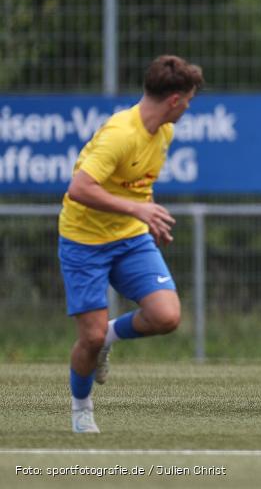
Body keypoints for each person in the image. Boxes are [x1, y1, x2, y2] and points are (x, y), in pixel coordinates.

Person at [59, 55, 204, 433]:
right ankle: (81, 407)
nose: (188, 108)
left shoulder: (163, 133)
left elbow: (138, 185)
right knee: (88, 338)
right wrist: (138, 210)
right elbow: (79, 188)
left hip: (130, 237)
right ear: (174, 100)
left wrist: (149, 215)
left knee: (166, 316)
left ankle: (109, 336)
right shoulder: (120, 134)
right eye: (188, 100)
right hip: (85, 241)